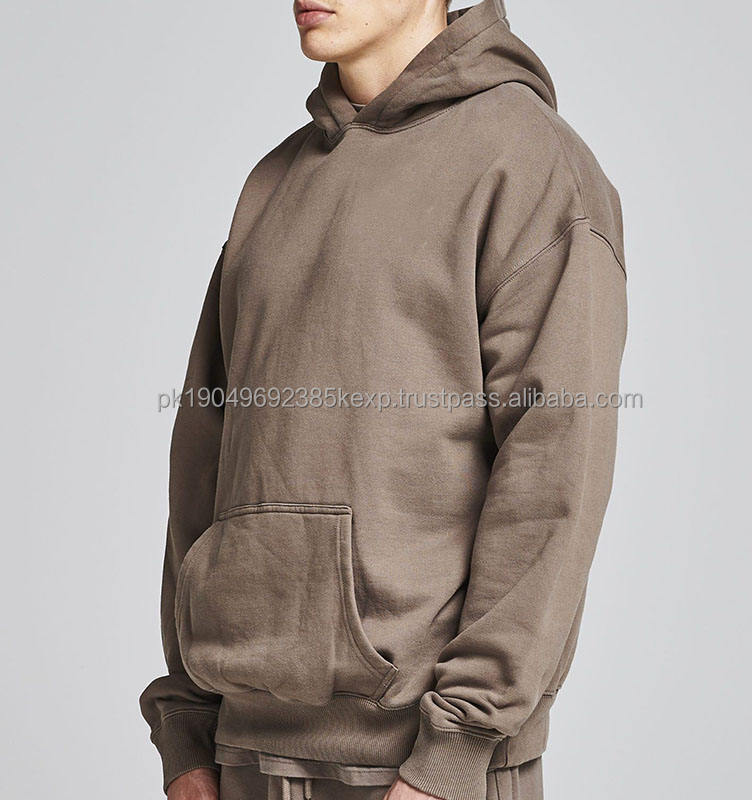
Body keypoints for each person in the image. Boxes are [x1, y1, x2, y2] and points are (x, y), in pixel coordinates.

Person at [140, 1, 627, 798]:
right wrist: (188, 728)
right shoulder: (272, 183)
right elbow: (206, 453)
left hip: (419, 766)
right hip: (242, 754)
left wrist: (457, 746)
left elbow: (555, 472)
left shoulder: (528, 163)